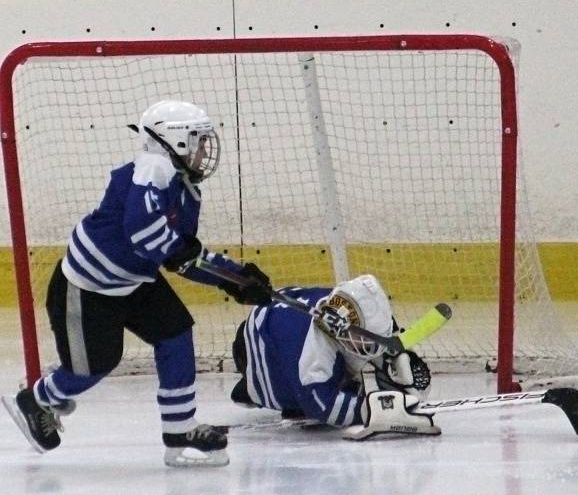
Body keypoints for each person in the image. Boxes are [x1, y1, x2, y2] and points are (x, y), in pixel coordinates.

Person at [2, 100, 272, 467]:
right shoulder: (153, 168)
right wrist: (207, 267)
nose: (206, 149)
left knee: (176, 333)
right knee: (92, 368)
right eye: (199, 140)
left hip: (133, 281)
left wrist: (237, 279)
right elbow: (143, 230)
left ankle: (180, 432)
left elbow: (181, 257)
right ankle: (37, 399)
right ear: (176, 141)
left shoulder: (185, 188)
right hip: (87, 287)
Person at [230, 273, 440, 439]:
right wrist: (369, 410)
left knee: (347, 373)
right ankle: (252, 389)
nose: (373, 348)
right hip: (255, 348)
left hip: (281, 315)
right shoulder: (309, 353)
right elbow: (320, 405)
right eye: (369, 341)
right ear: (342, 331)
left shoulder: (342, 303)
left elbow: (374, 320)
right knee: (307, 398)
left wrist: (392, 348)